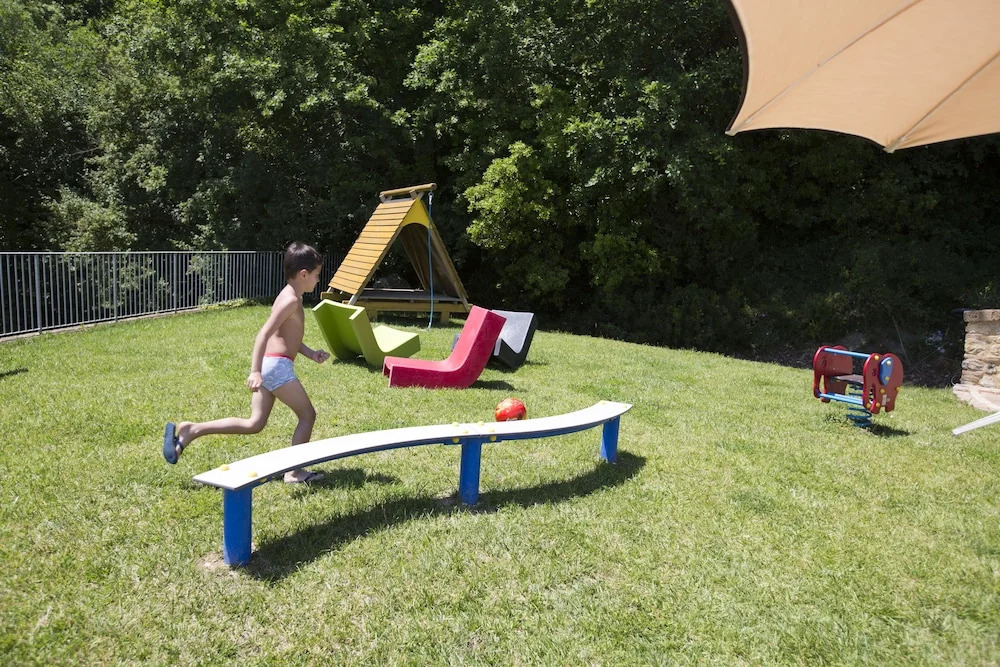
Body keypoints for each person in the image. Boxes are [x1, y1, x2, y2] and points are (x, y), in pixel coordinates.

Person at [163, 242, 331, 483]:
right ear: (303, 274)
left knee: (254, 423)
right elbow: (263, 334)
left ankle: (193, 430)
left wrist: (311, 353)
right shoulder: (291, 301)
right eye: (316, 275)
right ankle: (294, 473)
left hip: (270, 366)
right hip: (276, 368)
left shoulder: (288, 295)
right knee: (308, 416)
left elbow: (286, 338)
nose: (318, 280)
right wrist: (255, 371)